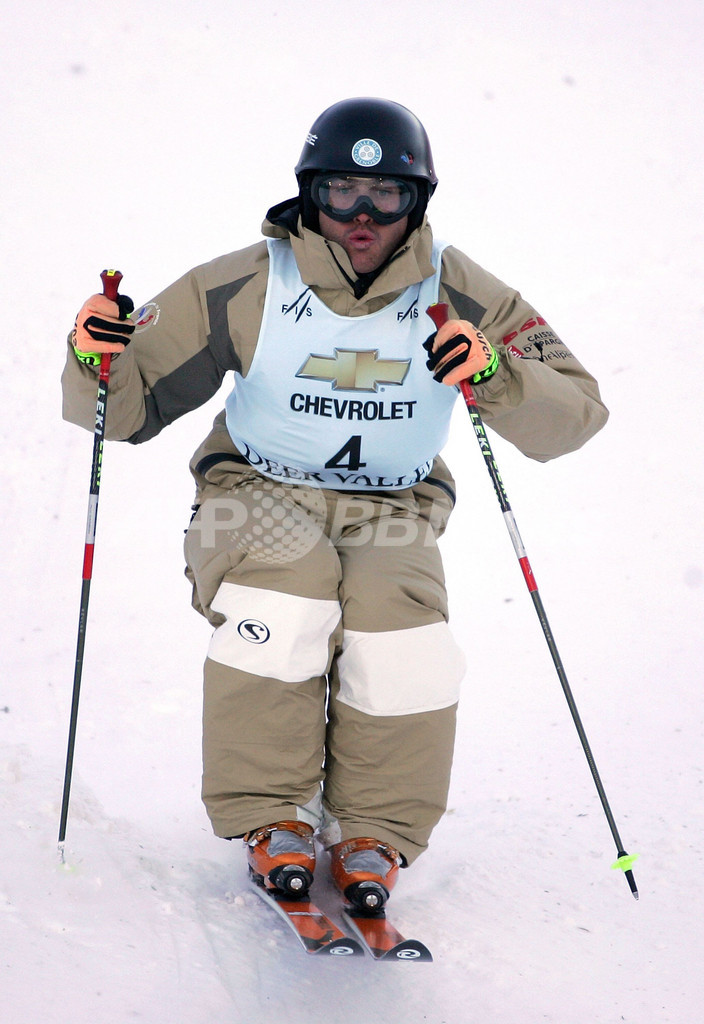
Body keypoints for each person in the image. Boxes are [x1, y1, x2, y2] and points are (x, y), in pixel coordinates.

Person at [62, 97, 608, 912]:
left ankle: (374, 830)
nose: (361, 215)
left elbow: (575, 415)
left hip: (395, 499)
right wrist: (93, 353)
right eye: (340, 192)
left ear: (416, 200)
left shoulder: (457, 287)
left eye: (385, 195)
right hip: (251, 486)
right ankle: (272, 814)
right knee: (284, 597)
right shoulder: (246, 281)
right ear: (309, 193)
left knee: (403, 632)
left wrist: (494, 370)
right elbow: (126, 407)